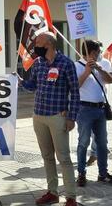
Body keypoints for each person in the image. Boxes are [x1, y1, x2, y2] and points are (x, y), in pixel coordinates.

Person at [19, 32, 79, 206]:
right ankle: (52, 192)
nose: (34, 45)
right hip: (39, 116)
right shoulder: (38, 63)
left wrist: (71, 117)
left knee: (64, 158)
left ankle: (71, 197)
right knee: (47, 156)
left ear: (49, 45)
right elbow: (33, 86)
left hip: (57, 117)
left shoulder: (66, 64)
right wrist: (20, 80)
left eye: (38, 42)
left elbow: (74, 92)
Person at [75, 40, 112, 186]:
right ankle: (81, 173)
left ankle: (103, 174)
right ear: (88, 52)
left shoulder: (101, 63)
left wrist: (100, 69)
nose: (98, 55)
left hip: (101, 109)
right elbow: (75, 85)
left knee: (102, 143)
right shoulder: (76, 65)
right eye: (96, 53)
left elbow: (110, 80)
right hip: (84, 109)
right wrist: (86, 72)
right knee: (83, 142)